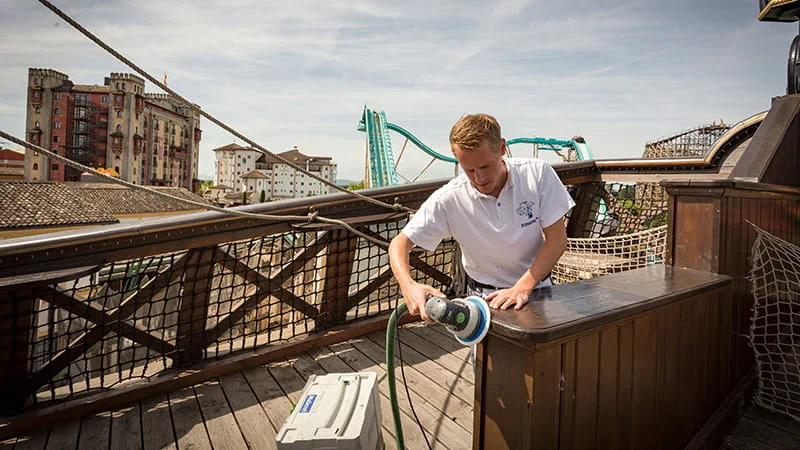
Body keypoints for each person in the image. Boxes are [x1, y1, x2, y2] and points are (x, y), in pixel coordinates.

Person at [388, 113, 575, 322]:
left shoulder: (536, 174)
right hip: (482, 300)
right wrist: (408, 286)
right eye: (469, 170)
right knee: (485, 356)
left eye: (486, 166)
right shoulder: (449, 197)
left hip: (537, 290)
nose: (479, 179)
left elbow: (557, 240)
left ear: (502, 148)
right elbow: (399, 243)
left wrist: (523, 287)